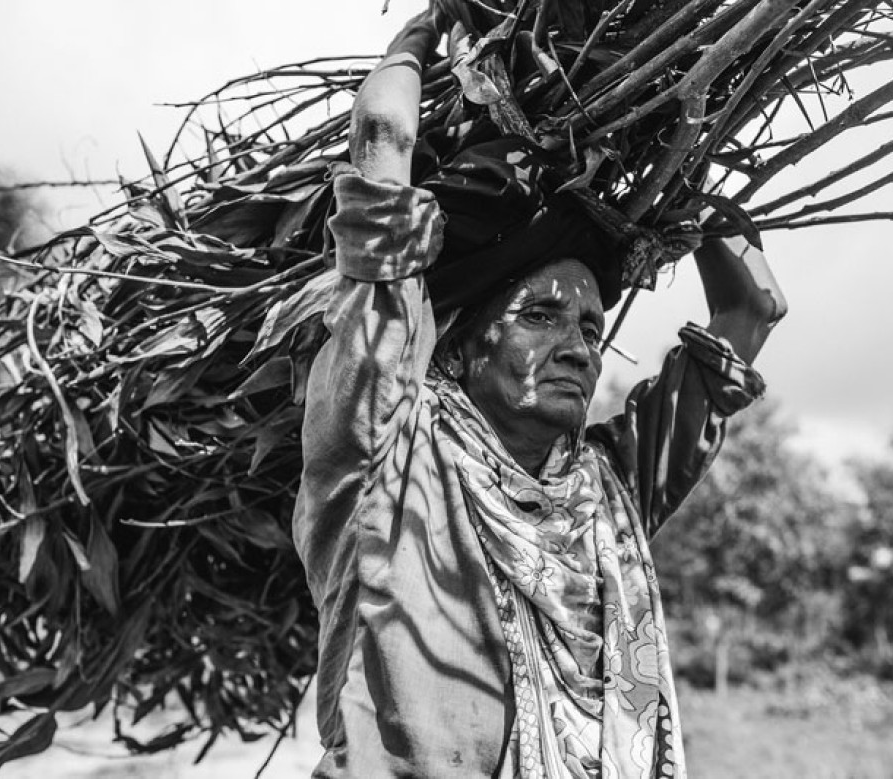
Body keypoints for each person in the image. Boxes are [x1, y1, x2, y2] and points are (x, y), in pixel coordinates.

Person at [292, 10, 787, 778]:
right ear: (457, 348)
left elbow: (753, 312)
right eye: (542, 315)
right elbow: (384, 139)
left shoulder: (610, 490)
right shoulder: (387, 455)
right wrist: (424, 31)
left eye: (591, 327)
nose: (576, 346)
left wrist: (687, 135)